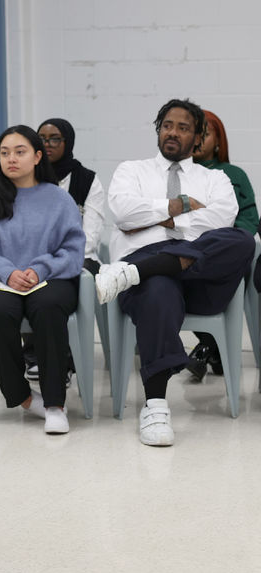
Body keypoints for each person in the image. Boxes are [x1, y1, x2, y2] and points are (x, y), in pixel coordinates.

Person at [96, 98, 254, 447]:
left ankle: (135, 270)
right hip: (153, 282)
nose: (173, 132)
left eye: (184, 127)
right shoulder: (131, 170)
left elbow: (221, 219)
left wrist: (152, 218)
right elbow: (123, 212)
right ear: (158, 129)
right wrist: (180, 207)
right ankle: (154, 405)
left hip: (198, 281)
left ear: (197, 138)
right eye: (167, 125)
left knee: (241, 241)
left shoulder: (216, 180)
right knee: (159, 287)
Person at [0, 125, 85, 435]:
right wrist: (6, 272)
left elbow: (73, 248)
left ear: (37, 156)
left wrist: (40, 269)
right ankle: (25, 398)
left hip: (49, 277)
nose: (10, 159)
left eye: (19, 152)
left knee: (49, 306)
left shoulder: (58, 198)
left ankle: (55, 404)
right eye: (4, 153)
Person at [21, 118, 106, 381]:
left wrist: (56, 260)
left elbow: (89, 237)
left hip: (80, 259)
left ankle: (65, 357)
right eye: (42, 139)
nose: (47, 144)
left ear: (67, 142)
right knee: (25, 278)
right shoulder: (26, 178)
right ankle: (34, 353)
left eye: (54, 138)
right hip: (35, 258)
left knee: (57, 286)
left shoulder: (88, 180)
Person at [186, 109, 259, 380]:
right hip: (185, 252)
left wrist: (221, 241)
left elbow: (249, 219)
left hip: (222, 253)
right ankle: (212, 348)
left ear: (218, 141)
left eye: (206, 134)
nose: (199, 140)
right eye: (196, 134)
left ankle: (209, 348)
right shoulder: (179, 173)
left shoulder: (233, 174)